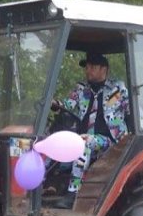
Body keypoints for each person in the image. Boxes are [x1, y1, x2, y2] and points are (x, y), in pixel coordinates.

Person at [52, 52, 129, 207]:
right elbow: (68, 104)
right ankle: (38, 188)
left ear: (104, 69)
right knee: (50, 141)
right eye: (87, 67)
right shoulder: (81, 89)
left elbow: (131, 110)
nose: (88, 70)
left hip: (110, 141)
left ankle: (72, 194)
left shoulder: (116, 89)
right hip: (85, 137)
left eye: (92, 67)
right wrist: (54, 103)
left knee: (83, 142)